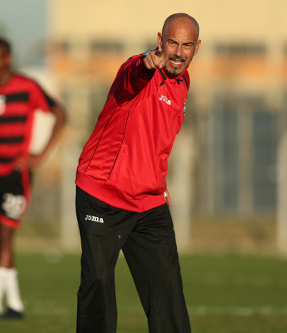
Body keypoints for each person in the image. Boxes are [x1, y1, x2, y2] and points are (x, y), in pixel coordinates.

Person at [75, 13, 201, 333]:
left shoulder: (183, 84)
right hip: (103, 194)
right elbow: (134, 75)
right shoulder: (139, 68)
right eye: (172, 42)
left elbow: (160, 140)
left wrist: (160, 182)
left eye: (186, 45)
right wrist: (148, 62)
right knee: (99, 283)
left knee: (168, 293)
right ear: (160, 40)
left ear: (196, 48)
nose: (177, 52)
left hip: (149, 203)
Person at [0, 37, 66, 319]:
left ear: (7, 58)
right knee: (2, 241)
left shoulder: (28, 87)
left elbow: (60, 113)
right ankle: (15, 304)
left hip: (17, 174)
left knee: (6, 234)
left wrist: (41, 155)